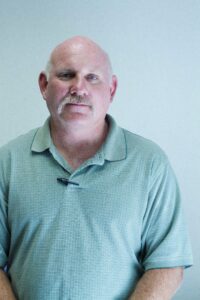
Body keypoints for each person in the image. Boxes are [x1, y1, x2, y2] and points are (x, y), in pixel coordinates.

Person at [0, 36, 193, 300]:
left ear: (111, 89)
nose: (79, 88)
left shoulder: (150, 164)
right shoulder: (7, 162)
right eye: (67, 75)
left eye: (93, 78)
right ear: (44, 85)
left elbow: (168, 264)